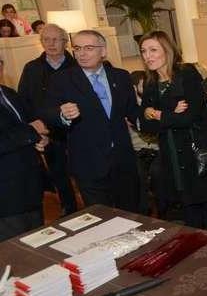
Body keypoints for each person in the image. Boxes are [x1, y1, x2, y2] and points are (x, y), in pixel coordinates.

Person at [140, 31, 207, 233]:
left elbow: (189, 117)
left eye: (153, 50)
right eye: (144, 51)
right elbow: (145, 126)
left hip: (198, 153)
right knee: (189, 212)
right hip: (172, 157)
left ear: (168, 51)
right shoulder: (151, 83)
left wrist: (156, 113)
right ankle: (198, 256)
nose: (148, 56)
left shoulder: (187, 74)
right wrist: (167, 113)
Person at [43, 30, 141, 212]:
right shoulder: (62, 80)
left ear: (103, 51)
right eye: (77, 48)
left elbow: (132, 111)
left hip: (123, 162)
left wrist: (152, 116)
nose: (81, 53)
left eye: (88, 48)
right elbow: (47, 113)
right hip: (88, 164)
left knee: (131, 215)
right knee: (101, 218)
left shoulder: (120, 76)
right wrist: (62, 114)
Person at [17, 23, 78, 215]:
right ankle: (69, 207)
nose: (51, 44)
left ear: (65, 42)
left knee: (83, 169)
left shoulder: (78, 65)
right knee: (58, 171)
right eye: (46, 39)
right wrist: (34, 127)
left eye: (55, 39)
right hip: (47, 130)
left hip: (77, 127)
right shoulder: (32, 68)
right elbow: (24, 100)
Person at [0, 82, 47, 240]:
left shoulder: (9, 93)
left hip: (31, 186)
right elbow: (28, 129)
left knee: (40, 245)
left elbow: (29, 123)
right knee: (17, 253)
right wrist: (31, 132)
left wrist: (41, 139)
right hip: (6, 197)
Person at [129, 70, 160, 215]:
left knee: (157, 172)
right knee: (136, 172)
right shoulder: (129, 108)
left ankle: (164, 208)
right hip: (137, 150)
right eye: (144, 86)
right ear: (135, 88)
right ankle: (144, 212)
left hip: (157, 149)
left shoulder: (154, 103)